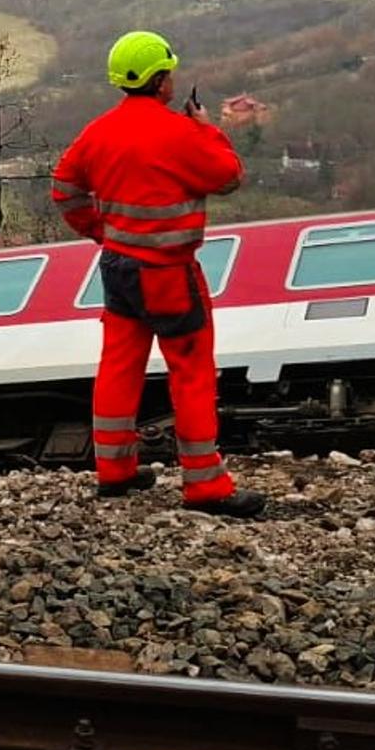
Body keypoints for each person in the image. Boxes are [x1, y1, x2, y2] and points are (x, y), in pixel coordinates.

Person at [50, 30, 266, 518]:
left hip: (117, 268)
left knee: (119, 366)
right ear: (161, 79)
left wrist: (101, 231)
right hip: (167, 273)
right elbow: (228, 176)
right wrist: (209, 128)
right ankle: (206, 485)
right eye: (169, 71)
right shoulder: (180, 133)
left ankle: (115, 471)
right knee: (189, 373)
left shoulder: (98, 131)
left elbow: (65, 190)